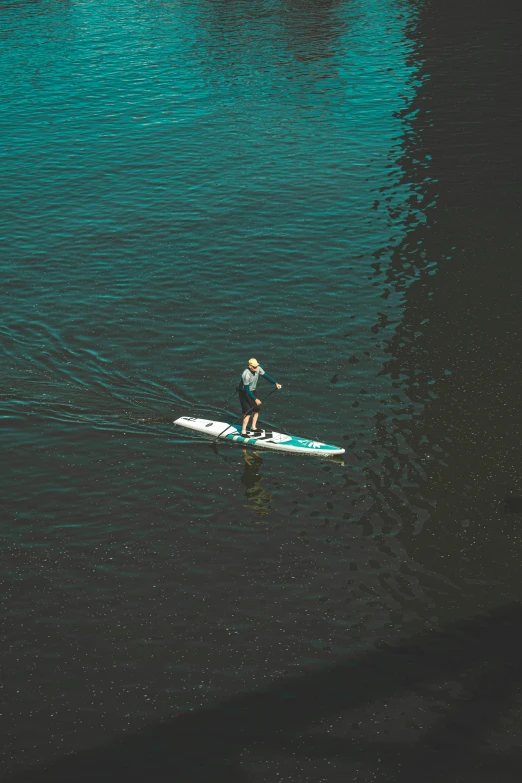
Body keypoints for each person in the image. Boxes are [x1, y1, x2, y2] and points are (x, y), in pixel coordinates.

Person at [238, 358, 282, 437]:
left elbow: (266, 376)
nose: (256, 368)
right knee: (247, 412)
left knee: (256, 410)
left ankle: (253, 428)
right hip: (244, 392)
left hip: (252, 391)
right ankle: (243, 432)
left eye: (256, 366)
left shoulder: (258, 368)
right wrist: (255, 399)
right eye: (254, 367)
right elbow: (247, 390)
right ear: (250, 366)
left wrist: (275, 383)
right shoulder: (246, 374)